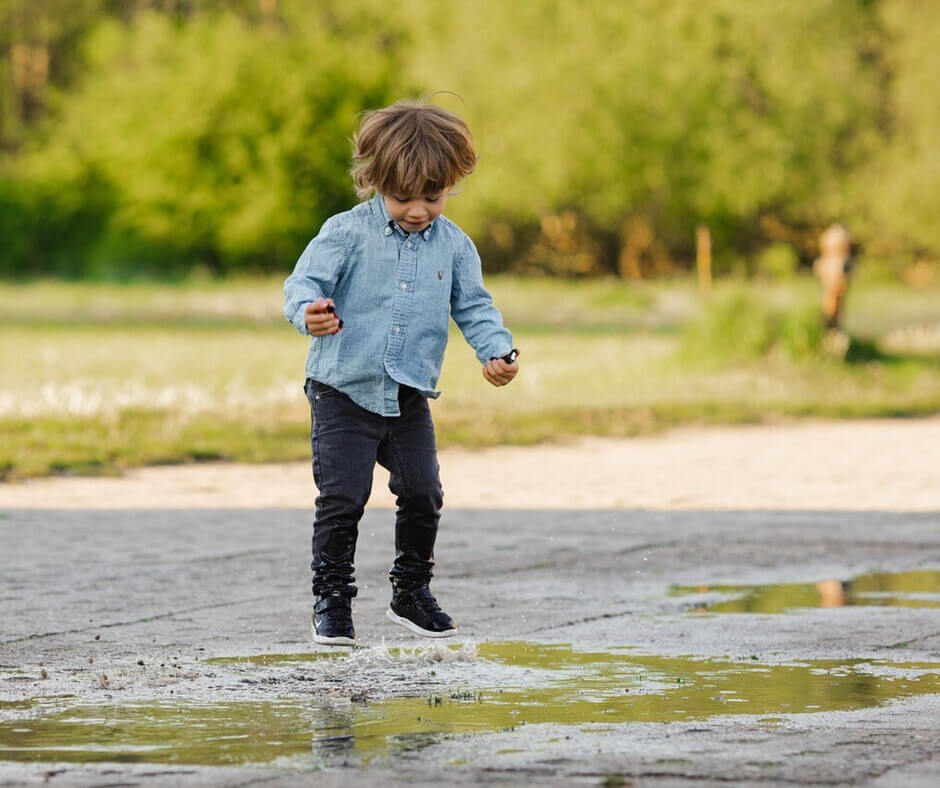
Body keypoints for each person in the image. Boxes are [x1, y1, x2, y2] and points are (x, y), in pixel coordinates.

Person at [283, 99, 520, 646]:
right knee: (344, 495)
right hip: (341, 388)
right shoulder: (345, 233)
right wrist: (310, 313)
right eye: (403, 197)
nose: (418, 210)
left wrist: (498, 352)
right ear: (374, 180)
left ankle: (410, 592)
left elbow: (475, 307)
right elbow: (303, 286)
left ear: (451, 185)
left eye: (432, 197)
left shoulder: (455, 246)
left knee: (423, 492)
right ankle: (333, 599)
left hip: (409, 393)